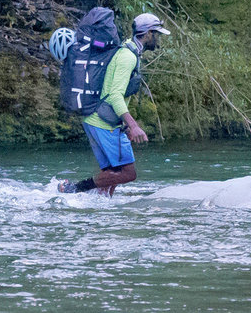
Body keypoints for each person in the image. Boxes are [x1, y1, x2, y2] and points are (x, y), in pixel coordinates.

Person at [58, 12, 170, 196]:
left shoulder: (128, 51)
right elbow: (115, 95)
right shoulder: (128, 57)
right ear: (147, 33)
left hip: (97, 119)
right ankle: (72, 189)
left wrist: (124, 126)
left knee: (112, 174)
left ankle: (100, 205)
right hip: (103, 122)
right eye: (156, 34)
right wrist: (133, 127)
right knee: (127, 173)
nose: (158, 39)